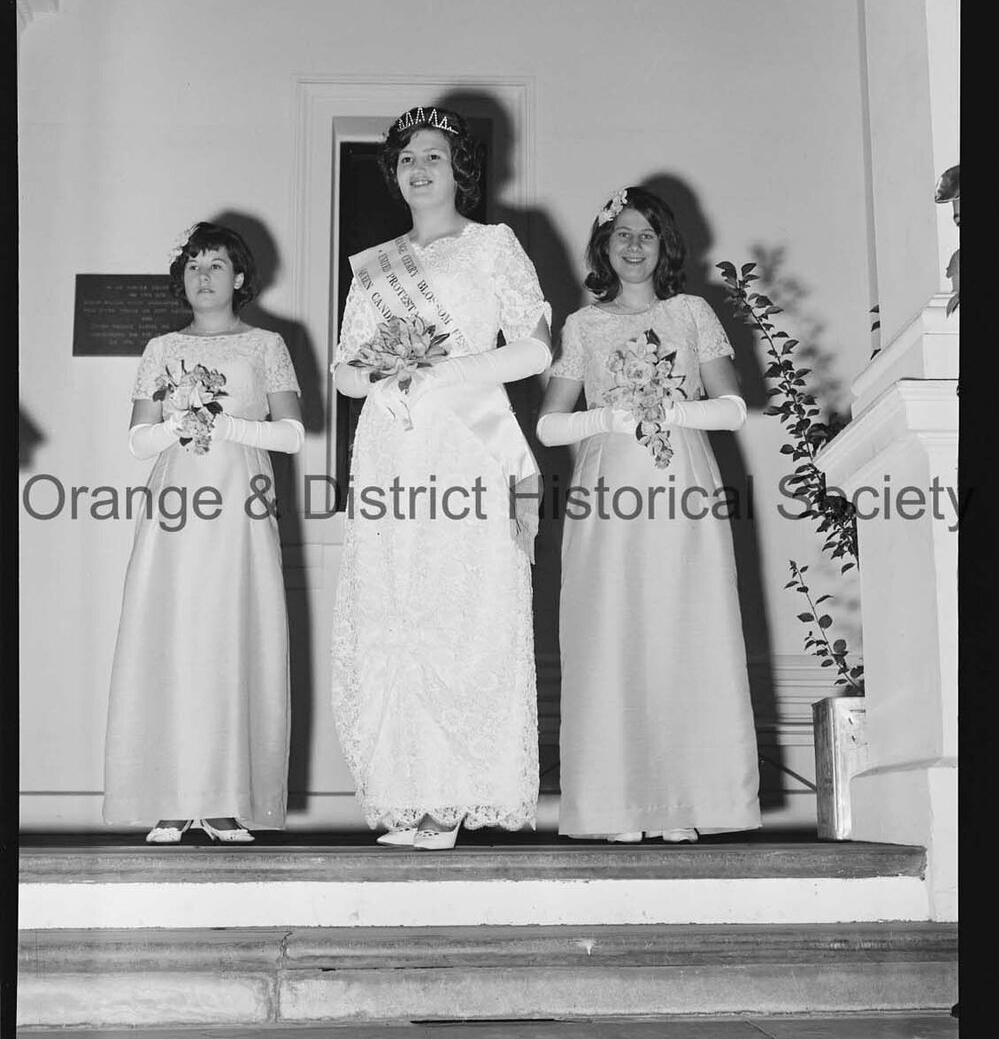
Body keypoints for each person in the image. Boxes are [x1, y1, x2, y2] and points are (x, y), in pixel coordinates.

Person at [330, 105, 551, 850]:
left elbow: (533, 349)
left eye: (432, 156)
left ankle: (452, 798)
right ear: (393, 175)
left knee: (463, 604)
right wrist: (391, 375)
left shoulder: (493, 246)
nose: (418, 168)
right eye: (405, 159)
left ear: (458, 169)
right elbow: (343, 368)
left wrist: (441, 371)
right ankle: (408, 794)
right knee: (396, 607)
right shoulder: (374, 264)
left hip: (465, 443)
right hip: (391, 446)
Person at [536, 186, 760, 842]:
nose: (634, 246)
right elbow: (549, 425)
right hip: (608, 490)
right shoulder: (583, 325)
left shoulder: (691, 313)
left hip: (681, 485)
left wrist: (668, 411)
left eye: (646, 235)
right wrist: (612, 416)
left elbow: (733, 406)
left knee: (684, 627)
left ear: (664, 246)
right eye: (622, 234)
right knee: (611, 633)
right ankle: (617, 805)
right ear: (604, 246)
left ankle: (687, 801)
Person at [103, 221, 303, 844]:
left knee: (230, 636)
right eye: (193, 265)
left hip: (240, 503)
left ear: (240, 278)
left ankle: (223, 798)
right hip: (176, 509)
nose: (202, 276)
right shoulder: (161, 349)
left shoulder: (266, 345)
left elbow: (292, 433)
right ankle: (171, 795)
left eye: (215, 265)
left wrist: (226, 426)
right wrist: (181, 423)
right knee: (174, 637)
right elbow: (138, 441)